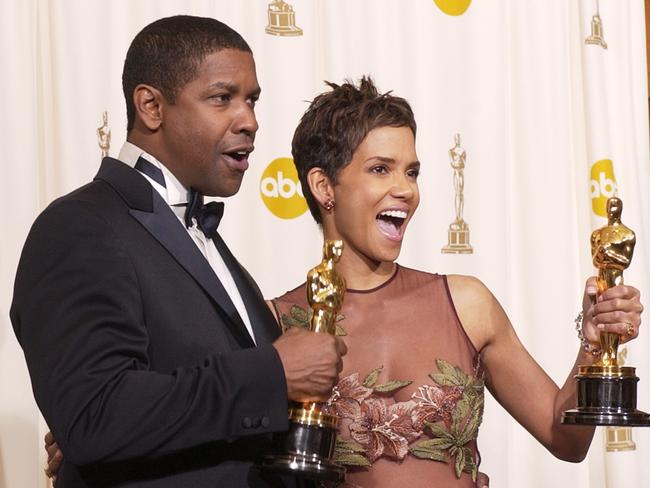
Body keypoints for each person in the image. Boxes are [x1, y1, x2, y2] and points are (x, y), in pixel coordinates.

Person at [11, 15, 346, 488]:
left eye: (251, 100)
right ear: (151, 106)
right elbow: (94, 414)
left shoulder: (206, 240)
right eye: (221, 98)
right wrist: (272, 371)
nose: (249, 121)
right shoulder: (79, 226)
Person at [269, 77, 644, 487]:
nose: (405, 190)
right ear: (324, 185)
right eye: (381, 169)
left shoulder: (466, 303)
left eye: (411, 172)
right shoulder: (276, 323)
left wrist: (593, 345)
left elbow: (566, 441)